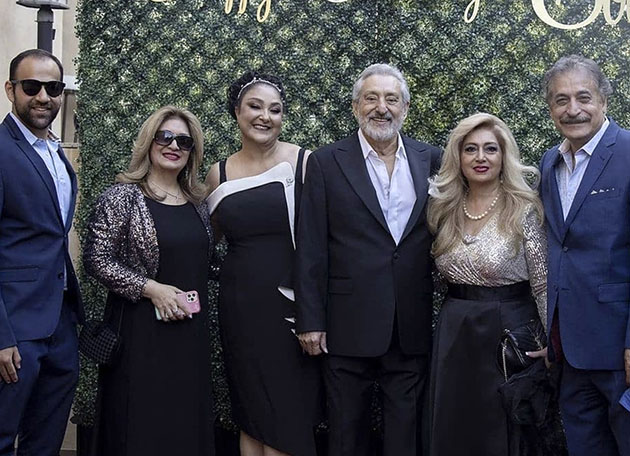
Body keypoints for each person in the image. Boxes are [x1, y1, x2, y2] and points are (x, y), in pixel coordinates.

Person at [295, 63, 441, 456]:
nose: (381, 107)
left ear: (405, 108)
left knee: (406, 436)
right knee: (346, 435)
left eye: (391, 99)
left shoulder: (432, 159)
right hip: (345, 325)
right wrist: (310, 320)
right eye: (371, 98)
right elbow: (311, 246)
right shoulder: (326, 162)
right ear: (356, 106)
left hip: (409, 324)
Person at [83, 106, 215, 456]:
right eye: (164, 137)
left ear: (192, 151)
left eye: (184, 141)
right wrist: (150, 288)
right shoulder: (122, 197)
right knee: (139, 424)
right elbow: (96, 259)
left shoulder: (198, 203)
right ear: (148, 142)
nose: (173, 146)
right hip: (139, 335)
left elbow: (206, 263)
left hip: (189, 337)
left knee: (183, 423)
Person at [205, 71, 321, 456]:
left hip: (291, 309)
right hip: (239, 309)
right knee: (251, 416)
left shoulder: (305, 162)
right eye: (255, 106)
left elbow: (323, 240)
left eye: (275, 109)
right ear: (237, 111)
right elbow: (202, 242)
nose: (264, 116)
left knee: (286, 418)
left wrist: (315, 312)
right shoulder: (218, 173)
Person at [426, 112, 548, 455]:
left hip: (508, 335)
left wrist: (555, 343)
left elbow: (543, 283)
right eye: (471, 149)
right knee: (454, 426)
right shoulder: (444, 209)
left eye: (490, 149)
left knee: (501, 430)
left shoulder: (524, 208)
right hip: (454, 333)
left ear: (504, 155)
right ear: (458, 156)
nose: (480, 157)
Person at [539, 55, 630, 456]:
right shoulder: (550, 163)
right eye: (561, 100)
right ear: (550, 108)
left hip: (620, 352)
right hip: (570, 353)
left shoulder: (628, 152)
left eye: (583, 97)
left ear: (604, 100)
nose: (572, 109)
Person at [0, 49, 83, 455]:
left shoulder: (54, 152)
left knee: (45, 443)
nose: (43, 97)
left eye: (53, 88)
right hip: (14, 327)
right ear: (11, 90)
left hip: (59, 324)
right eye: (32, 87)